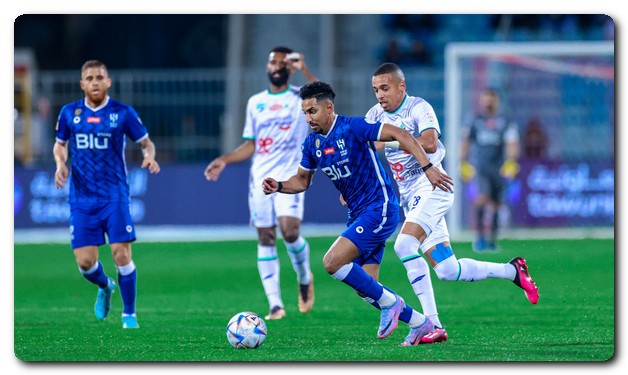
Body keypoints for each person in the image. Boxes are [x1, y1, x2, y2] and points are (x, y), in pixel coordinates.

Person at [262, 81, 454, 346]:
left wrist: (429, 167)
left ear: (329, 108)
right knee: (366, 285)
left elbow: (402, 135)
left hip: (380, 208)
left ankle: (394, 306)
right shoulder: (312, 144)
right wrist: (280, 186)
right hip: (357, 214)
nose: (308, 118)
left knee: (332, 262)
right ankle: (421, 324)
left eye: (312, 111)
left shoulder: (354, 127)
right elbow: (302, 181)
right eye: (304, 113)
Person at [364, 63, 539, 343]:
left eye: (384, 88)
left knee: (404, 245)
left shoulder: (418, 108)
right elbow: (368, 148)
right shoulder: (374, 114)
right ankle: (512, 270)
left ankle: (431, 325)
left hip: (433, 185)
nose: (379, 95)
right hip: (410, 196)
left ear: (401, 87)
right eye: (375, 90)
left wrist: (395, 139)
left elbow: (430, 143)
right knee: (447, 270)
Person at [204, 46, 317, 320]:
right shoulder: (256, 102)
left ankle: (304, 276)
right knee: (266, 237)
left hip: (290, 175)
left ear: (289, 68)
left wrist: (302, 67)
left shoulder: (299, 98)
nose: (277, 65)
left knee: (289, 232)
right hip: (260, 179)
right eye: (272, 62)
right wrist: (225, 160)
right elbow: (250, 145)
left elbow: (321, 100)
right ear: (267, 68)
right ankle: (275, 304)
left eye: (282, 62)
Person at [53, 59, 161, 329]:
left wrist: (149, 157)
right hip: (82, 199)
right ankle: (105, 285)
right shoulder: (69, 113)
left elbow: (147, 143)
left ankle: (129, 314)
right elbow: (59, 145)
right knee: (86, 263)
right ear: (82, 84)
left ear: (108, 82)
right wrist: (60, 163)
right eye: (89, 78)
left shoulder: (122, 113)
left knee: (121, 255)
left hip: (114, 196)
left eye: (99, 77)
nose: (95, 82)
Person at [460, 87, 521, 251]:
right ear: (481, 100)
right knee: (481, 199)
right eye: (486, 97)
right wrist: (463, 162)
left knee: (495, 204)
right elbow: (466, 141)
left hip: (498, 168)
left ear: (497, 101)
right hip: (480, 167)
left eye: (491, 98)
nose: (488, 101)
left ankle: (492, 240)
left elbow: (512, 143)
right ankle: (479, 238)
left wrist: (511, 161)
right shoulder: (474, 119)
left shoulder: (505, 121)